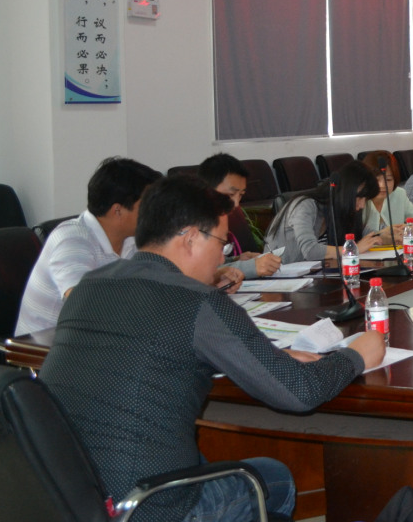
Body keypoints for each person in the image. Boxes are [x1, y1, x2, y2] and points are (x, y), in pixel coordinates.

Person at [39, 174, 385, 522]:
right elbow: (298, 392)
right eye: (221, 243)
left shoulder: (90, 285)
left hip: (66, 496)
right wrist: (356, 355)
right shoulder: (197, 301)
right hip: (151, 508)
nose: (222, 257)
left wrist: (266, 357)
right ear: (190, 238)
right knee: (274, 478)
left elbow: (151, 354)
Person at [15, 156, 162, 335]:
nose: (155, 213)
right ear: (117, 211)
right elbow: (84, 305)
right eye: (147, 205)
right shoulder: (71, 240)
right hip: (44, 348)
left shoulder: (133, 240)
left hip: (99, 339)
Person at [263, 161, 379, 265]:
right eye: (360, 197)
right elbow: (310, 250)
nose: (362, 205)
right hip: (283, 275)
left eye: (366, 200)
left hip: (318, 274)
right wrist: (353, 249)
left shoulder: (341, 210)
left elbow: (365, 234)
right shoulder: (305, 206)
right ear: (345, 192)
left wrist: (382, 236)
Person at [198, 152, 281, 278]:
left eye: (241, 195)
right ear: (207, 190)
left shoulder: (219, 218)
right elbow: (197, 273)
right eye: (230, 195)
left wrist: (236, 260)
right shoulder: (190, 224)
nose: (236, 204)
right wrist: (251, 267)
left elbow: (211, 263)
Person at [362, 159, 413, 245]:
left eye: (388, 180)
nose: (382, 185)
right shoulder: (359, 200)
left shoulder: (398, 194)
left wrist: (412, 228)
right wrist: (379, 236)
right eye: (376, 180)